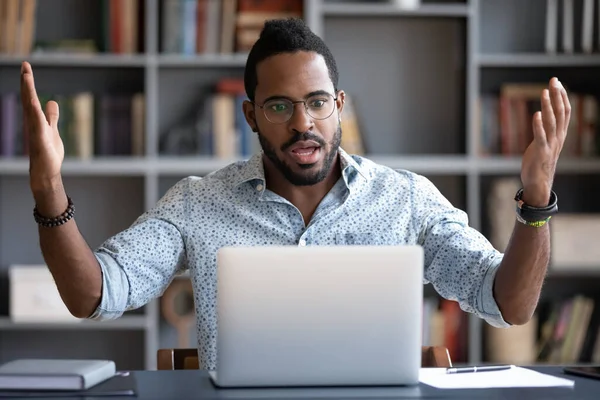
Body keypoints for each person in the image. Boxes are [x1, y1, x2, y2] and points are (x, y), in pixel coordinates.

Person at [21, 18, 570, 370]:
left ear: (339, 106)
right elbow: (96, 295)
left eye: (317, 102)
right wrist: (49, 189)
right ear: (251, 115)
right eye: (280, 106)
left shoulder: (406, 199)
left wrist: (537, 201)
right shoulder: (196, 202)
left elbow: (508, 304)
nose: (302, 123)